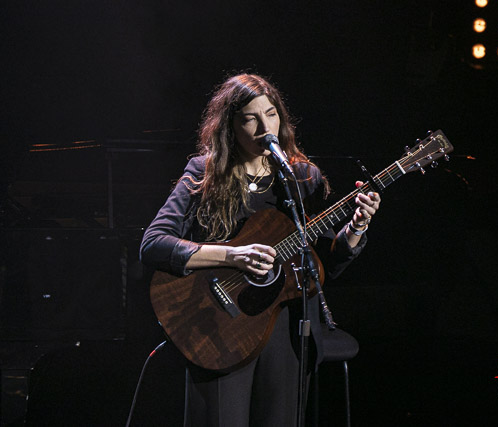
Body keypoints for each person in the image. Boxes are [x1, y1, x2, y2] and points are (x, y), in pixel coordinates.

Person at [140, 73, 381, 427]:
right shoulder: (202, 174)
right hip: (219, 324)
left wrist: (356, 227)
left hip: (285, 325)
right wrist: (232, 256)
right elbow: (154, 245)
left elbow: (326, 262)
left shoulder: (301, 179)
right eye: (250, 118)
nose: (264, 127)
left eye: (270, 114)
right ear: (230, 126)